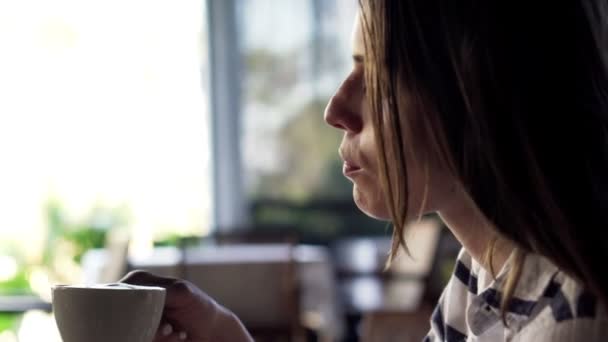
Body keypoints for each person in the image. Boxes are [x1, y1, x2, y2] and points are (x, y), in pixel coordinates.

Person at [121, 0, 608, 340]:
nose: (336, 109)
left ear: (476, 90)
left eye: (379, 76)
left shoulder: (572, 319)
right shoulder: (484, 275)